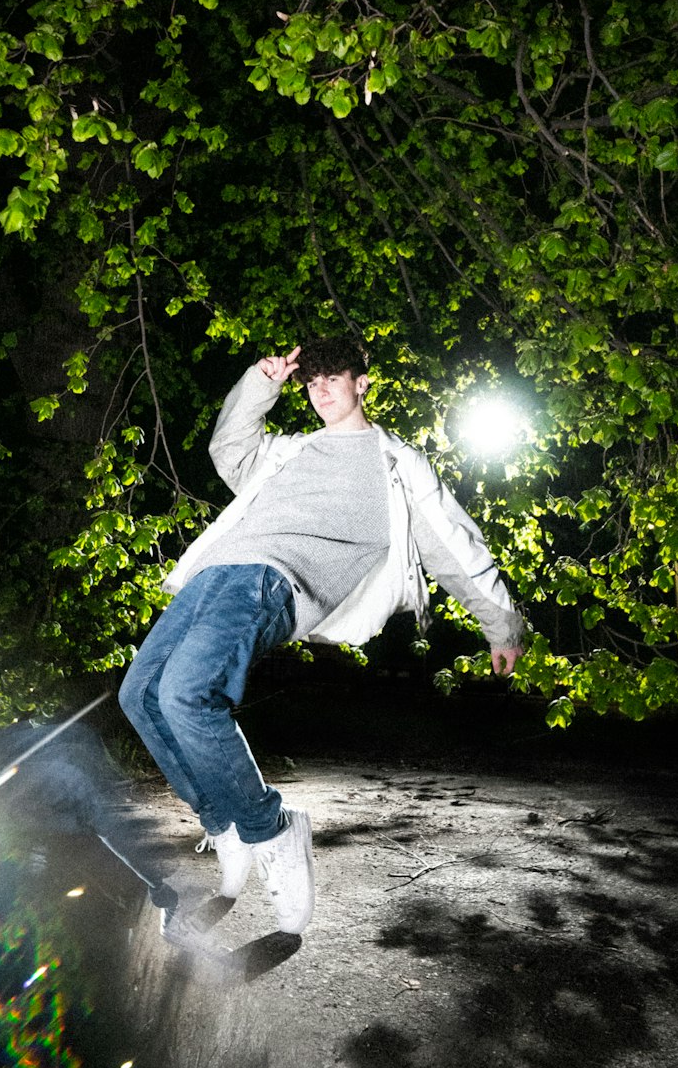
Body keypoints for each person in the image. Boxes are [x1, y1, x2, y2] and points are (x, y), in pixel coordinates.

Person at [119, 336, 525, 936]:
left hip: (272, 580)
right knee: (141, 696)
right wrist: (262, 382)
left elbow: (453, 543)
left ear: (363, 382)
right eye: (312, 381)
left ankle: (272, 829)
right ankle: (224, 825)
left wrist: (500, 623)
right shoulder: (288, 452)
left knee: (185, 694)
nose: (322, 388)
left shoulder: (396, 463)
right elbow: (228, 449)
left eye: (335, 377)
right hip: (215, 574)